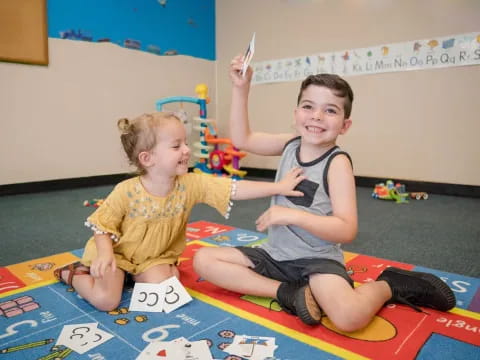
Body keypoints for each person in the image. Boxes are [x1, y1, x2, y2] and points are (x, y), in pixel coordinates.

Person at [193, 56, 456, 331]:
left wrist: (292, 215)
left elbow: (346, 229)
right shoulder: (289, 144)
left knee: (348, 317)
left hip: (316, 261)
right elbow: (242, 139)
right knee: (204, 259)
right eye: (308, 107)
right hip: (275, 255)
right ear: (295, 115)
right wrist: (241, 88)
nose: (317, 116)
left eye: (330, 110)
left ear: (344, 125)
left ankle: (389, 285)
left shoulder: (337, 162)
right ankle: (287, 292)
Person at [53, 111, 307, 311]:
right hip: (116, 254)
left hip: (154, 256)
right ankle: (72, 275)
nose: (187, 150)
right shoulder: (126, 191)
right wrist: (105, 255)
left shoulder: (190, 184)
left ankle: (132, 277)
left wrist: (278, 187)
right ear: (147, 159)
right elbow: (102, 225)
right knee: (107, 300)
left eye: (185, 143)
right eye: (176, 146)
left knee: (165, 287)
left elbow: (232, 188)